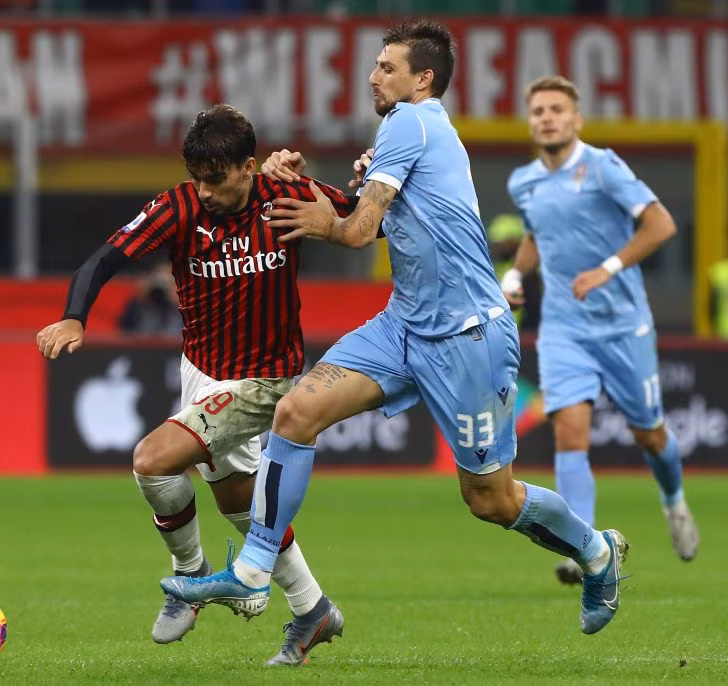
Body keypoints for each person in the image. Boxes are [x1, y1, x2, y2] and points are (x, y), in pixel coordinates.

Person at [161, 20, 629, 637]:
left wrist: (322, 219)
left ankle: (597, 552)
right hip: (404, 324)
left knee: (491, 499)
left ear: (423, 79)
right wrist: (300, 182)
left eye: (387, 67)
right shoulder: (407, 133)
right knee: (296, 412)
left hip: (467, 336)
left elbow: (357, 231)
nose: (373, 76)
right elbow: (371, 214)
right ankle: (253, 569)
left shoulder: (411, 121)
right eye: (376, 65)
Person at [36, 104, 357, 665]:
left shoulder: (286, 193)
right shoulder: (178, 207)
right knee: (239, 505)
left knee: (152, 461)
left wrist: (359, 180)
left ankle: (189, 576)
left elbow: (365, 217)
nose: (204, 191)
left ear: (249, 167)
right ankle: (313, 609)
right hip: (202, 373)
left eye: (216, 178)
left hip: (266, 379)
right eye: (197, 178)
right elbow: (104, 259)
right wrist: (73, 317)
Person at [501, 75, 698, 584]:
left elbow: (661, 224)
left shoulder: (603, 166)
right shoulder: (524, 182)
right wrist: (516, 275)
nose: (547, 117)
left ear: (576, 119)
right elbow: (536, 236)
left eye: (557, 109)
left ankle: (673, 500)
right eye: (539, 110)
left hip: (624, 327)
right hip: (565, 329)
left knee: (650, 435)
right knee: (569, 430)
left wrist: (607, 269)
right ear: (530, 122)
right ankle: (585, 548)